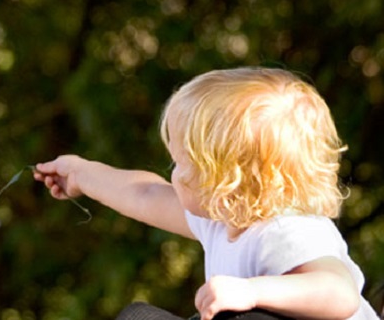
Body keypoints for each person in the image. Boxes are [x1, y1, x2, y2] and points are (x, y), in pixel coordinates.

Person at [34, 67, 377, 319]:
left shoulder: (287, 229)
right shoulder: (222, 216)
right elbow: (145, 195)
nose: (172, 174)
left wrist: (251, 291)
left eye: (180, 163)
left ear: (224, 180)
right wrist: (81, 173)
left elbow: (339, 292)